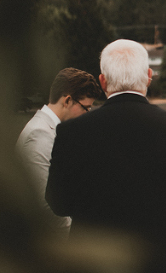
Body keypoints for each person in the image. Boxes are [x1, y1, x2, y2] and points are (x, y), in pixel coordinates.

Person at [46, 39, 166, 273]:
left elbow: (58, 203)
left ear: (102, 81)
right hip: (164, 260)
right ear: (149, 76)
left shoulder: (72, 132)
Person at [16, 67, 102, 234]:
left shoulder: (51, 130)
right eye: (86, 108)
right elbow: (45, 204)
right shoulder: (39, 134)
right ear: (68, 101)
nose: (88, 114)